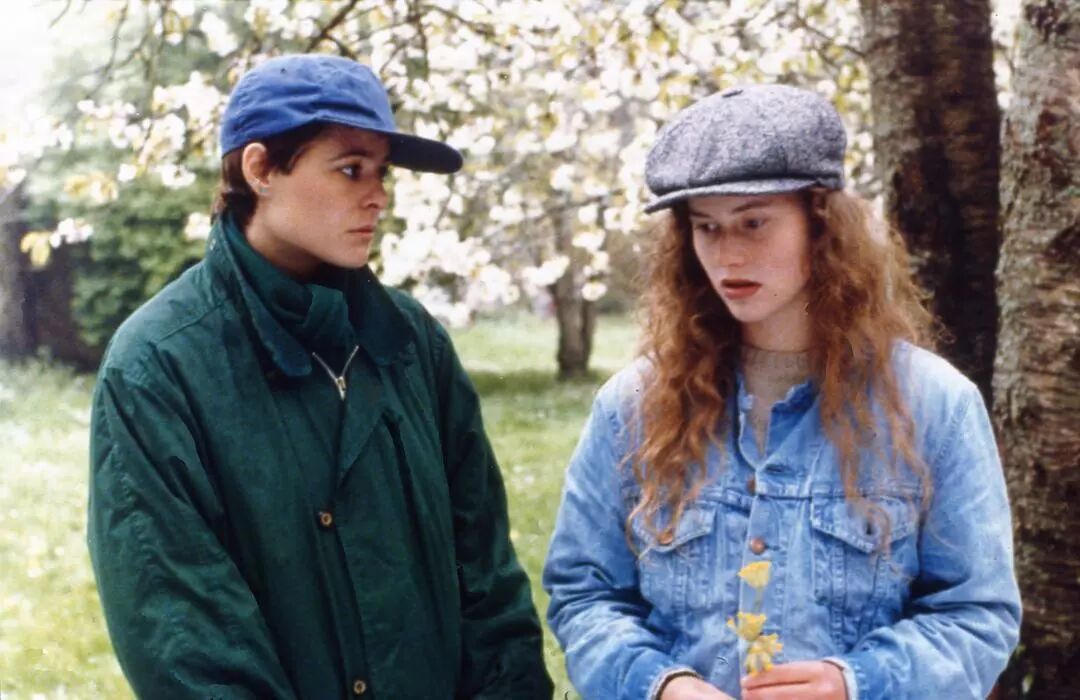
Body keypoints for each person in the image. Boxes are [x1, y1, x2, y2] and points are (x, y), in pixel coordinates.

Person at [87, 54, 553, 700]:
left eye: (382, 172)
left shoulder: (413, 343)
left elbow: (488, 580)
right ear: (260, 170)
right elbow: (185, 644)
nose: (378, 196)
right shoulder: (156, 369)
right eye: (350, 169)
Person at [542, 84, 1020, 700]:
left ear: (820, 224)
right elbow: (584, 595)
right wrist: (661, 686)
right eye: (706, 227)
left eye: (754, 222)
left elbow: (977, 615)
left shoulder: (934, 405)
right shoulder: (632, 406)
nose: (728, 254)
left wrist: (856, 684)